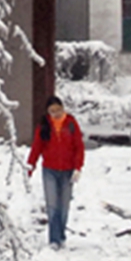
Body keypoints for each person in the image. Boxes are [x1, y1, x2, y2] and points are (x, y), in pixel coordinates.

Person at [27, 95, 85, 248]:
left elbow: (79, 146)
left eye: (58, 110)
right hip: (50, 170)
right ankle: (54, 239)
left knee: (64, 206)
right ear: (48, 112)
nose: (56, 114)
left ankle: (61, 235)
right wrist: (29, 167)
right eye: (52, 111)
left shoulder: (71, 123)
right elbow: (36, 147)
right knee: (52, 205)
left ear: (63, 108)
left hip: (68, 170)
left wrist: (78, 167)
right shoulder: (44, 126)